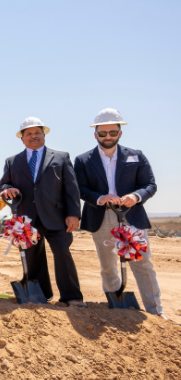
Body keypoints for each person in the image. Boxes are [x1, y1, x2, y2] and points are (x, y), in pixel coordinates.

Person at [73, 108, 163, 317]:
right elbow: (80, 188)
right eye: (102, 133)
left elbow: (150, 184)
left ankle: (156, 311)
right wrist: (99, 198)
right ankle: (116, 309)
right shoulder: (83, 160)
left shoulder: (136, 156)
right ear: (95, 134)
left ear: (120, 133)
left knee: (143, 264)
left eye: (112, 132)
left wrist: (136, 196)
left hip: (131, 217)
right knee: (108, 266)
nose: (108, 137)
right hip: (100, 216)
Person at [0, 117, 86, 307]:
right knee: (32, 257)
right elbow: (4, 183)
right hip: (27, 219)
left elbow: (72, 189)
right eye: (28, 134)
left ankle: (72, 296)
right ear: (22, 138)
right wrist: (6, 189)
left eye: (37, 132)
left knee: (62, 253)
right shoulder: (13, 161)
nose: (33, 136)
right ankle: (42, 295)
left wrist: (74, 214)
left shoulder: (61, 157)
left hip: (57, 217)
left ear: (44, 135)